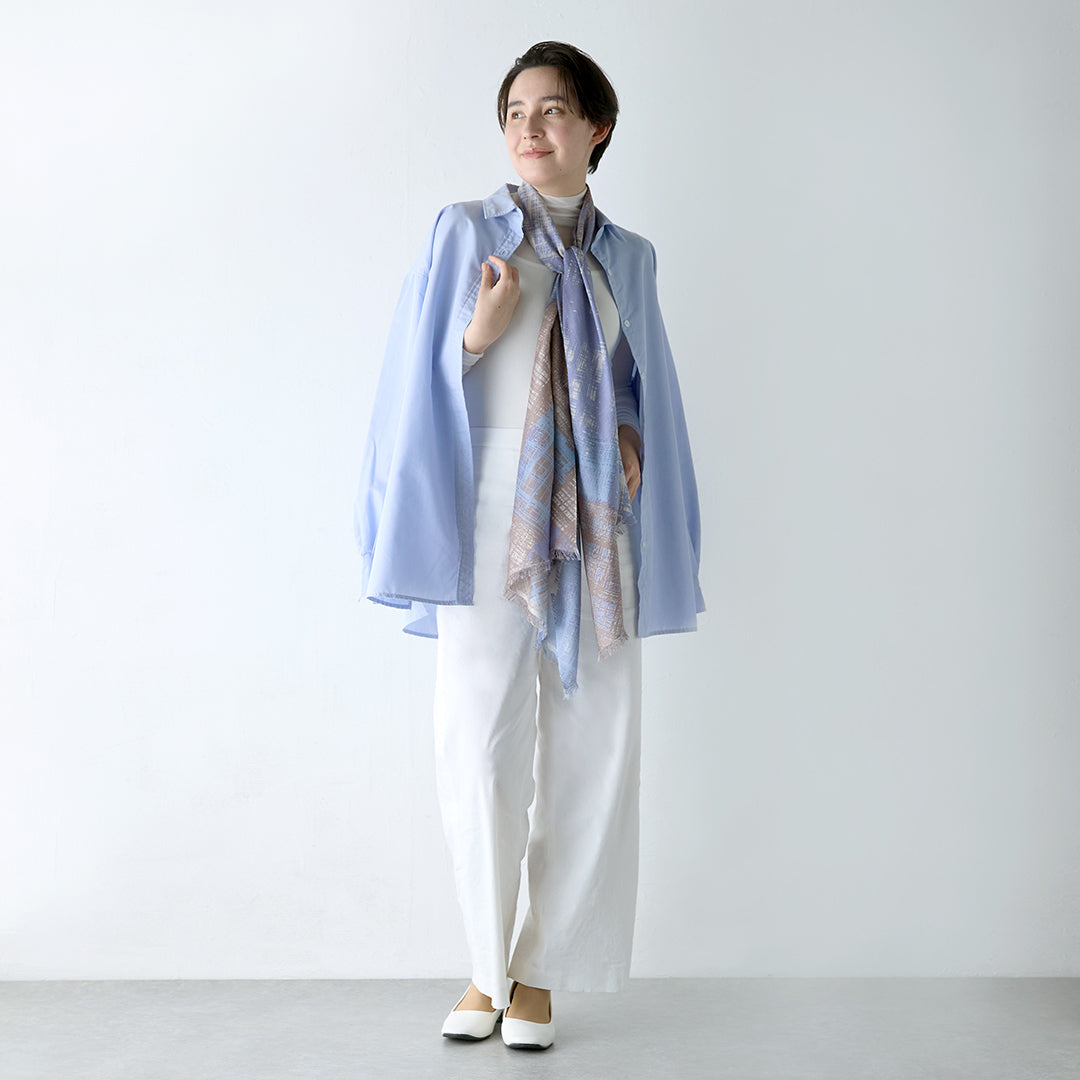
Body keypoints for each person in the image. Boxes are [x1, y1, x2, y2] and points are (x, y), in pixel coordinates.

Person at [354, 41, 704, 1050]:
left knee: (600, 738)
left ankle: (539, 971)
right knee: (476, 736)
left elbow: (641, 385)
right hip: (488, 500)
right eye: (515, 111)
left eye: (552, 109)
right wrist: (479, 329)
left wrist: (629, 438)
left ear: (597, 127)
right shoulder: (466, 232)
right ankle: (484, 965)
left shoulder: (630, 255)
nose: (529, 127)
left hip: (597, 513)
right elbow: (414, 375)